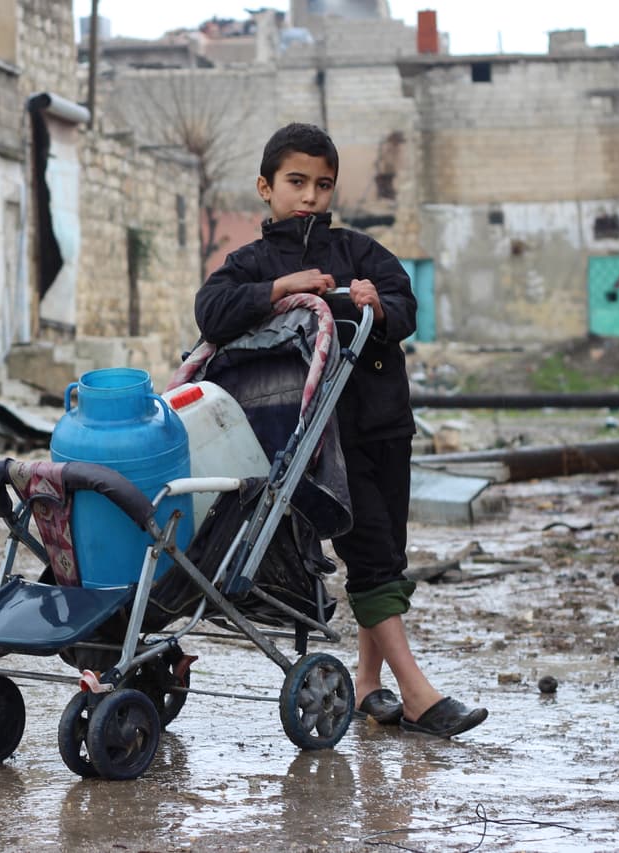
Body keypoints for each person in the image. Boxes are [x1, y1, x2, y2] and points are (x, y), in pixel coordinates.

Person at [193, 123, 487, 738]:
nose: (309, 198)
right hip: (320, 442)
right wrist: (281, 289)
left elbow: (407, 307)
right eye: (296, 183)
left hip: (383, 424)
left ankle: (366, 685)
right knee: (371, 550)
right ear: (265, 187)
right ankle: (418, 696)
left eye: (322, 186)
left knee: (386, 556)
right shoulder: (247, 265)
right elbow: (210, 311)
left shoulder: (359, 252)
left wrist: (377, 304)